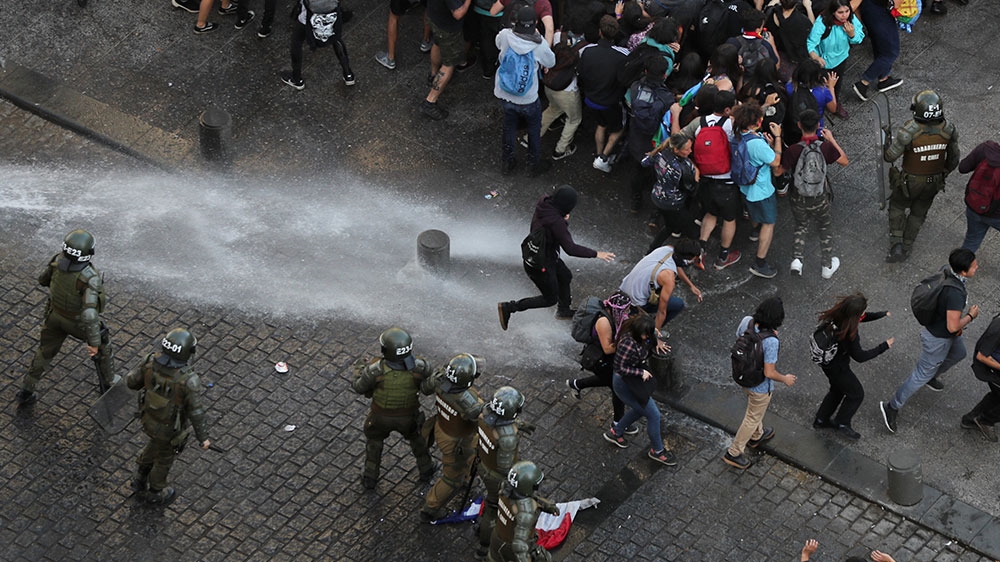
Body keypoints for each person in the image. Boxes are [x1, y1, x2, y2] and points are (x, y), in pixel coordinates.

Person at [880, 248, 980, 433]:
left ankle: (932, 376)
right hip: (938, 339)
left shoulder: (947, 272)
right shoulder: (955, 294)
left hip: (942, 332)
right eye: (974, 266)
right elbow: (953, 326)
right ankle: (891, 407)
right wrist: (971, 316)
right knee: (920, 375)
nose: (977, 267)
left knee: (959, 353)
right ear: (963, 271)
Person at [16, 229, 116, 407]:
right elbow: (90, 314)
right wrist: (93, 343)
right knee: (103, 344)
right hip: (77, 323)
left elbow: (42, 280)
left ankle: (27, 389)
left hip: (54, 316)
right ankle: (108, 384)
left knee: (44, 352)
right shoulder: (90, 278)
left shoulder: (57, 261)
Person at [497, 185, 616, 330]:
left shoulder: (544, 204)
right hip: (540, 264)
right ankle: (509, 307)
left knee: (565, 276)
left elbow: (552, 225)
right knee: (549, 299)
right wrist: (596, 254)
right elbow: (571, 249)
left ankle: (563, 310)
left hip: (544, 255)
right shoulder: (556, 223)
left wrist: (561, 217)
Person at [127, 328, 210, 504]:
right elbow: (196, 412)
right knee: (164, 458)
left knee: (154, 444)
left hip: (148, 419)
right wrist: (203, 438)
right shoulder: (189, 381)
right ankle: (156, 491)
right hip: (169, 428)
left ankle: (139, 477)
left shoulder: (150, 362)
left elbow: (131, 382)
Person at [351, 327, 436, 489]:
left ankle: (370, 477)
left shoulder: (375, 370)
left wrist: (359, 367)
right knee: (418, 441)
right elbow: (428, 383)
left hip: (379, 417)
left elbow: (358, 387)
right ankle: (427, 470)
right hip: (408, 417)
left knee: (374, 444)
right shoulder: (419, 367)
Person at [883, 89, 960, 262]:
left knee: (897, 206)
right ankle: (907, 245)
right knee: (918, 213)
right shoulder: (948, 130)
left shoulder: (910, 131)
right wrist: (943, 173)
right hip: (934, 181)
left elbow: (889, 157)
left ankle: (896, 244)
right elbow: (954, 159)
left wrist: (886, 143)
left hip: (908, 182)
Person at [723, 296, 796, 470]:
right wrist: (785, 378)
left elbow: (740, 338)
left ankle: (757, 435)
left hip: (743, 376)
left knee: (755, 412)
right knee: (752, 417)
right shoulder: (771, 341)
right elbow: (769, 372)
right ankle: (733, 453)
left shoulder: (747, 321)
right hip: (760, 387)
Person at [775, 109, 848, 277]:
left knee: (801, 225)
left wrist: (776, 142)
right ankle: (827, 266)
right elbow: (844, 161)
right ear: (818, 126)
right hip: (819, 196)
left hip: (798, 196)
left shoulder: (793, 150)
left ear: (799, 125)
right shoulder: (825, 147)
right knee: (824, 226)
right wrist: (832, 140)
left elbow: (778, 171)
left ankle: (797, 260)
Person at [678, 89, 743, 270]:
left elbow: (680, 137)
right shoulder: (732, 124)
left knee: (710, 213)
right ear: (728, 109)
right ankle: (723, 257)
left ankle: (700, 251)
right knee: (729, 218)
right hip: (726, 180)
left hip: (705, 179)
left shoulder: (699, 122)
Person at [812, 294, 893, 439]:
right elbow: (860, 356)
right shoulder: (849, 333)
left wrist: (881, 314)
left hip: (827, 364)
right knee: (856, 394)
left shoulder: (838, 315)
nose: (864, 314)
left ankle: (821, 419)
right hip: (839, 368)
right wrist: (884, 346)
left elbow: (861, 317)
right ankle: (842, 423)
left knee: (837, 390)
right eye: (862, 312)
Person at [602, 313, 678, 465]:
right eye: (646, 335)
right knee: (653, 415)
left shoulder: (644, 335)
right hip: (624, 383)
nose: (648, 337)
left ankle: (616, 431)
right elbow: (619, 368)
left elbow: (651, 338)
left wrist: (656, 341)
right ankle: (657, 451)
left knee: (641, 408)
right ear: (639, 333)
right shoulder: (627, 344)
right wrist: (640, 372)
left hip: (633, 380)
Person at [421, 354, 485, 521]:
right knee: (451, 478)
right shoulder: (467, 400)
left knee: (469, 457)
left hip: (442, 428)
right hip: (457, 441)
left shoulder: (441, 382)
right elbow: (482, 423)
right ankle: (430, 508)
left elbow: (425, 387)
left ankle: (466, 477)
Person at [495, 6, 556, 177]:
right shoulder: (538, 44)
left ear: (516, 21)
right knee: (534, 129)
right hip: (528, 97)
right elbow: (551, 62)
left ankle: (507, 162)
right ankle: (533, 164)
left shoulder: (505, 35)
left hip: (505, 93)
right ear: (535, 23)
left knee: (509, 126)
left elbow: (497, 43)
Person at [566, 291, 640, 433]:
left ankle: (576, 384)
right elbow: (607, 348)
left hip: (607, 359)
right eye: (625, 310)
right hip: (599, 359)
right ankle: (618, 423)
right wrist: (628, 343)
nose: (627, 312)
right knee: (617, 388)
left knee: (610, 382)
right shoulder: (603, 322)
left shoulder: (614, 315)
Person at [731, 100, 783, 278]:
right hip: (761, 189)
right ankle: (760, 263)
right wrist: (777, 138)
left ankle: (755, 231)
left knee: (753, 212)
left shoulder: (737, 133)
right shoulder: (757, 144)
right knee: (769, 223)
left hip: (745, 187)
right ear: (755, 123)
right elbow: (775, 161)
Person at [477, 386, 532, 556]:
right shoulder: (507, 437)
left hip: (483, 464)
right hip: (496, 477)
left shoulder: (484, 414)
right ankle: (484, 546)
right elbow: (505, 468)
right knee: (493, 509)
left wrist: (516, 425)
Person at [618, 239, 704, 338]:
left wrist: (691, 285)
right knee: (678, 304)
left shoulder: (666, 249)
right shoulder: (668, 278)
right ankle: (647, 330)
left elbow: (675, 265)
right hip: (635, 304)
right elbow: (661, 312)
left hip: (622, 291)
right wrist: (655, 336)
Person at [576, 15, 629, 173]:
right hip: (611, 102)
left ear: (600, 32)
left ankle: (599, 154)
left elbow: (581, 74)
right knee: (619, 129)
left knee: (601, 125)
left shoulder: (587, 51)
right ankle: (603, 158)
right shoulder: (623, 54)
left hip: (591, 99)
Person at [488, 461, 557, 562]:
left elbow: (524, 495)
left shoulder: (505, 489)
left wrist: (545, 505)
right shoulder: (526, 513)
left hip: (497, 538)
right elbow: (519, 546)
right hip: (512, 549)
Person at [280, 0, 356, 90]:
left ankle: (296, 78)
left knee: (296, 41)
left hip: (309, 14)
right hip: (332, 10)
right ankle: (348, 74)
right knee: (336, 38)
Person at [645, 133, 702, 251]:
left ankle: (651, 250)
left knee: (669, 226)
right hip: (674, 203)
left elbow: (645, 162)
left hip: (657, 195)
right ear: (676, 150)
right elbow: (691, 188)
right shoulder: (683, 168)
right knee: (693, 231)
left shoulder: (660, 153)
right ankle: (693, 253)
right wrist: (696, 174)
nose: (690, 151)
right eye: (687, 149)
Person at [806, 0, 863, 117]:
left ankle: (835, 104)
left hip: (842, 58)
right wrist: (815, 57)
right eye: (840, 12)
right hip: (825, 62)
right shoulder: (822, 22)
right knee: (823, 86)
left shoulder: (851, 19)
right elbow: (811, 42)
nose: (844, 15)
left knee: (837, 83)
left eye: (847, 11)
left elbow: (859, 37)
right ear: (833, 12)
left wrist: (852, 35)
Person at [420, 0, 474, 120]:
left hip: (435, 17)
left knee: (437, 43)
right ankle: (430, 101)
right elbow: (458, 13)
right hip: (448, 29)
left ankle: (433, 75)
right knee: (449, 64)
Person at [851, 0, 903, 101]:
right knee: (891, 52)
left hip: (869, 9)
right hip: (878, 11)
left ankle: (883, 78)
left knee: (879, 44)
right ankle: (863, 83)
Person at [960, 313, 1000, 443]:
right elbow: (982, 356)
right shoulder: (997, 328)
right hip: (993, 370)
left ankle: (972, 419)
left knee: (997, 396)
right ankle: (985, 420)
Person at [958, 140, 1000, 253]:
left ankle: (961, 264)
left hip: (975, 206)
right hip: (997, 216)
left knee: (971, 241)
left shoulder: (986, 149)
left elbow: (963, 168)